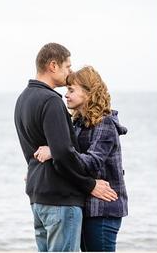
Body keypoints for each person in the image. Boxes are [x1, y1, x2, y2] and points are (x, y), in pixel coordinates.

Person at [14, 43, 118, 252]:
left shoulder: (23, 99)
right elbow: (62, 153)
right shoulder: (51, 101)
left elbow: (34, 153)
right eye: (67, 67)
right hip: (60, 199)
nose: (70, 72)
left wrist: (36, 170)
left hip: (38, 197)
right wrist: (89, 185)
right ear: (53, 65)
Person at [34, 66, 128, 252]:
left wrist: (55, 151)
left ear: (88, 93)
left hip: (103, 209)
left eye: (71, 90)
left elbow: (92, 163)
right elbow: (69, 159)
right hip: (85, 205)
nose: (66, 95)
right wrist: (39, 171)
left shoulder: (105, 123)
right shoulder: (77, 123)